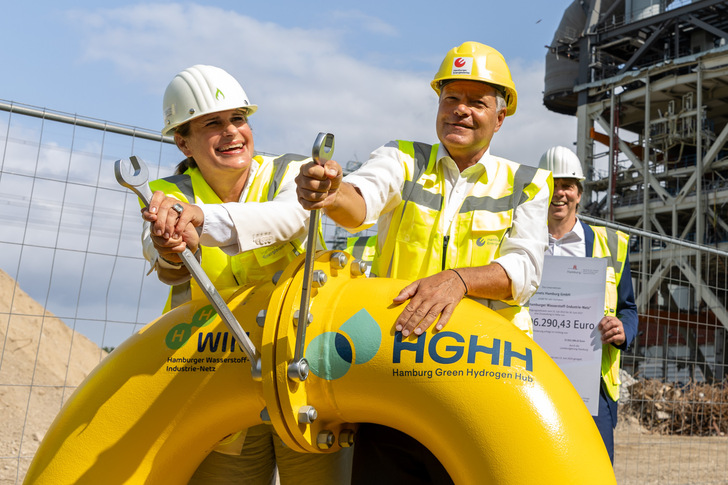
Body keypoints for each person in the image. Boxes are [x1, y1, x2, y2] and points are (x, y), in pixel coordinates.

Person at [296, 42, 553, 484]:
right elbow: (362, 201)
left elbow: (523, 272)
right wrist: (332, 193)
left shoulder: (528, 183)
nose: (460, 111)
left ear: (500, 117)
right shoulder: (401, 159)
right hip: (399, 374)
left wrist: (459, 281)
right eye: (451, 98)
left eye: (477, 102)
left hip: (484, 375)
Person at [141, 64, 351, 485]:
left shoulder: (289, 173)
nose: (232, 132)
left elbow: (287, 218)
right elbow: (163, 264)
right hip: (217, 370)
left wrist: (200, 221)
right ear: (182, 142)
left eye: (239, 118)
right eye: (213, 124)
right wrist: (168, 248)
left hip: (302, 365)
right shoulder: (169, 195)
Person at [538, 145, 639, 464]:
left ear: (579, 193)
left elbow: (629, 308)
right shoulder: (519, 240)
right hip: (531, 375)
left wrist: (623, 329)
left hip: (592, 387)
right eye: (551, 184)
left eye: (567, 185)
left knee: (591, 467)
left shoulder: (609, 244)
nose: (559, 193)